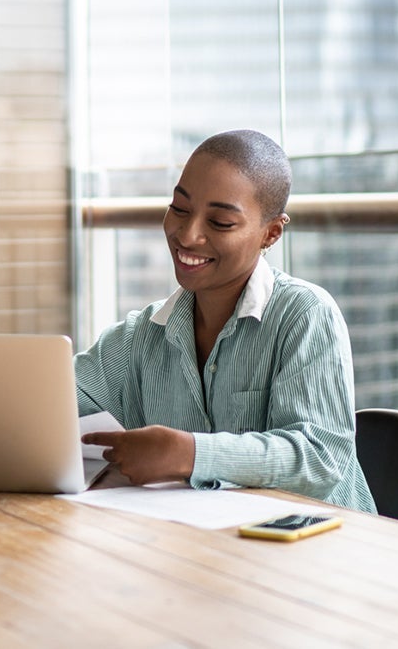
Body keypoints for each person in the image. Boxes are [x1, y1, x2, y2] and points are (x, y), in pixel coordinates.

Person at [76, 129, 376, 511]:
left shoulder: (305, 315)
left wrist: (189, 453)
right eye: (180, 209)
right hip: (207, 545)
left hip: (317, 548)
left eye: (219, 223)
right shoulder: (143, 336)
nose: (188, 234)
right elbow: (51, 399)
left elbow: (320, 458)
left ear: (271, 233)